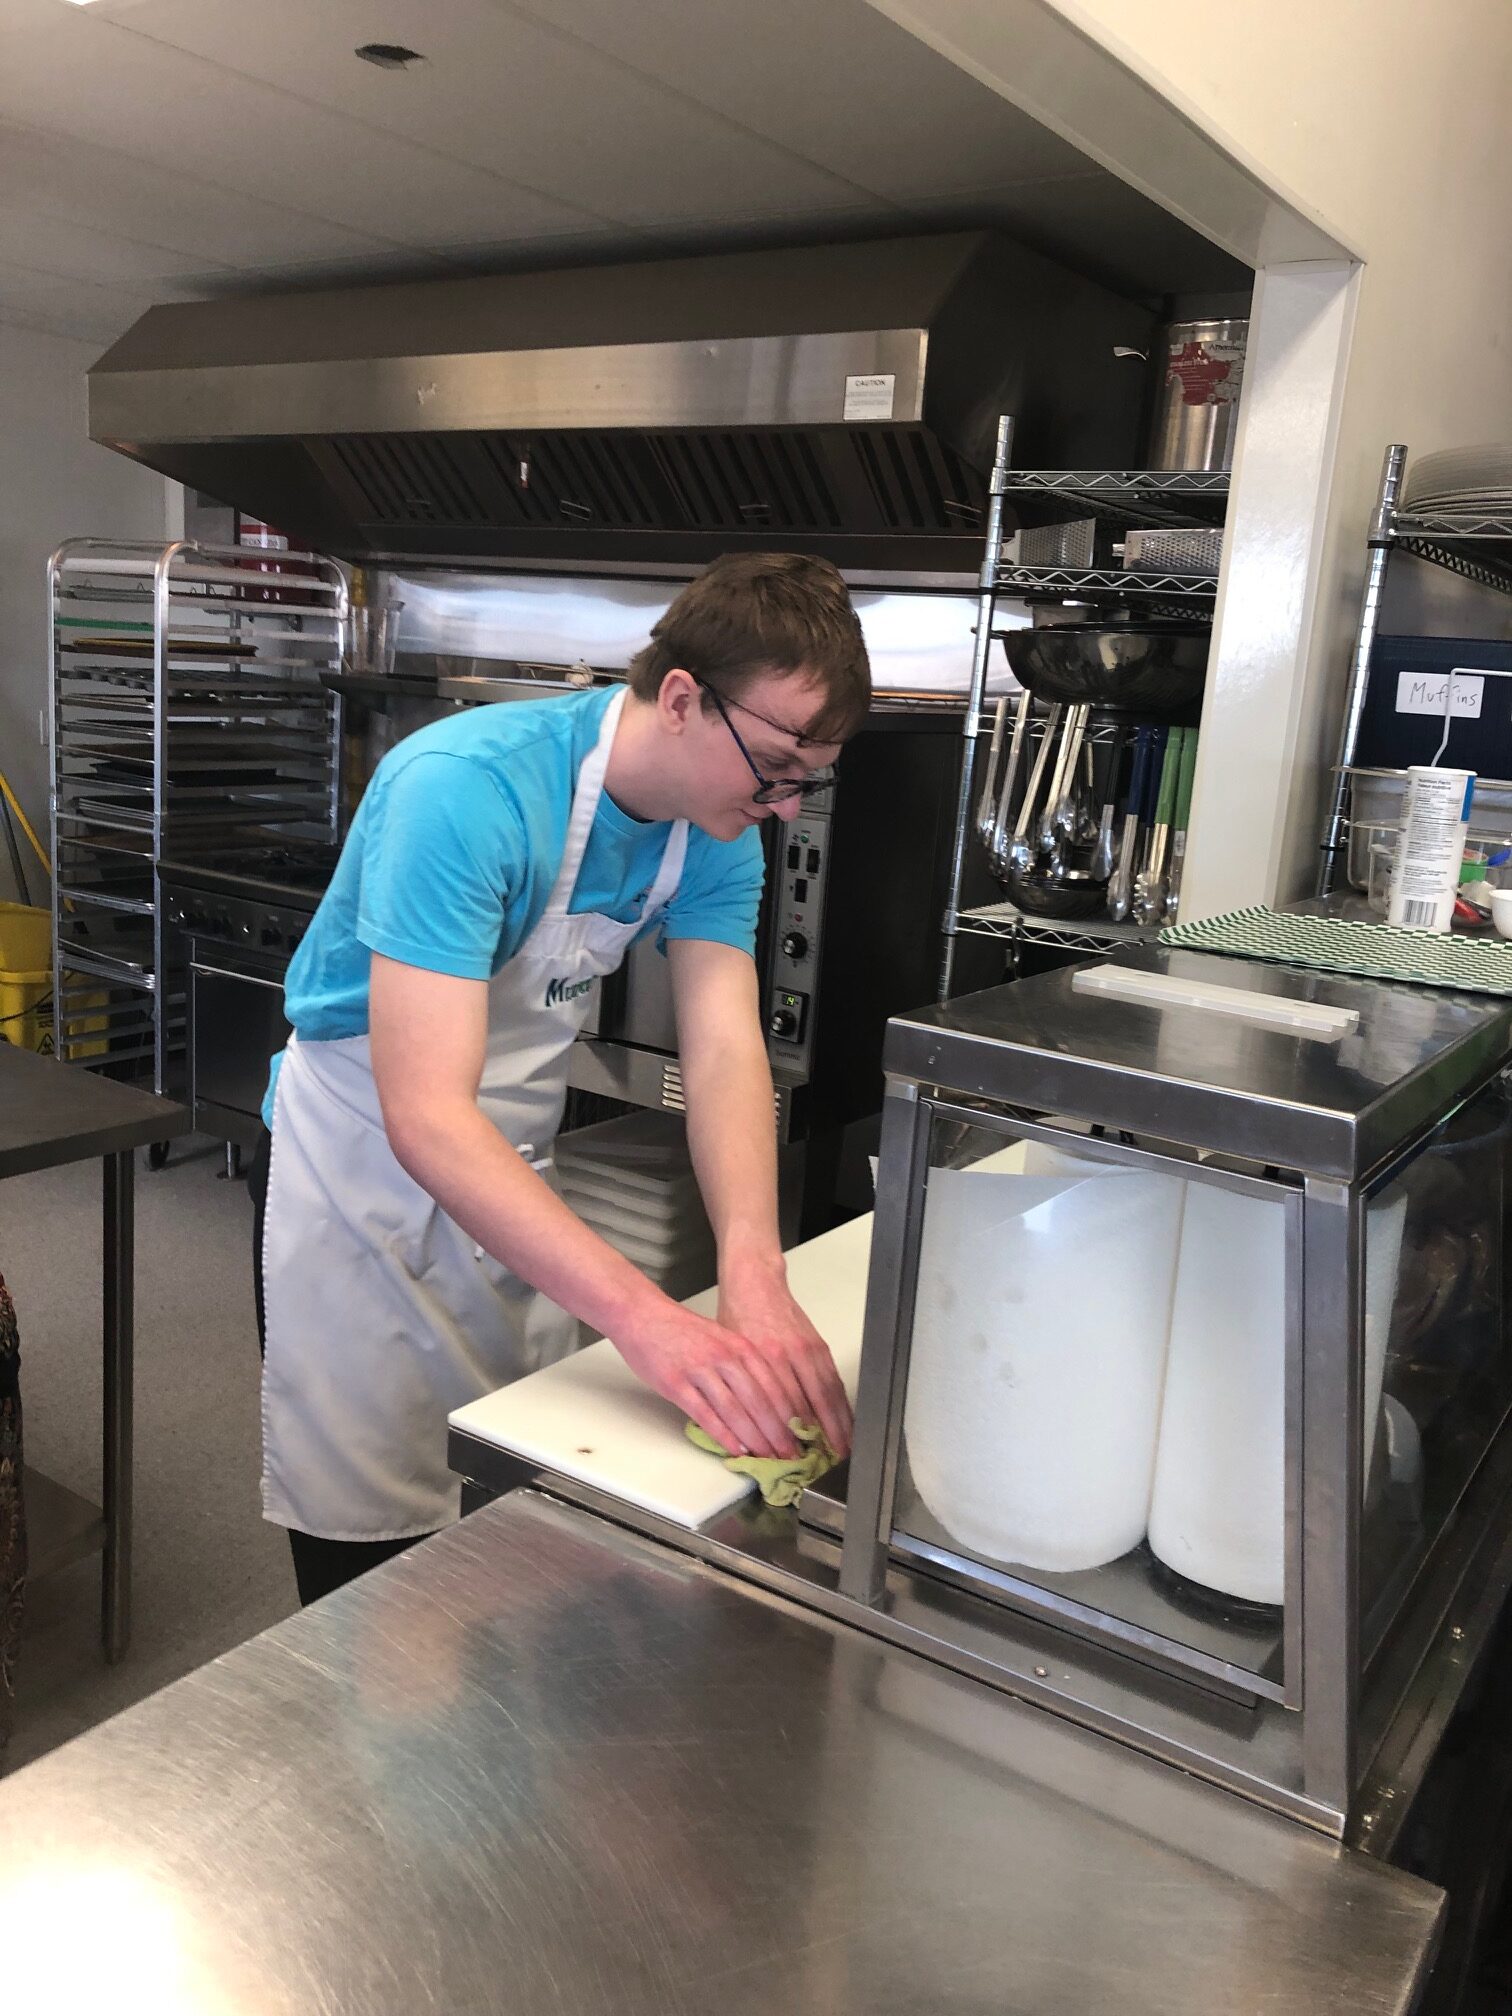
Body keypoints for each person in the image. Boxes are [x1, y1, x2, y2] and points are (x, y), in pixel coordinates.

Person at [249, 552, 870, 1605]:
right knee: (374, 1566)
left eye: (807, 778)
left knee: (510, 1521)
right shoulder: (467, 789)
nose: (783, 805)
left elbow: (726, 1051)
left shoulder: (715, 831)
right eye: (774, 765)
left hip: (511, 1183)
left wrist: (754, 1273)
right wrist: (650, 1320)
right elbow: (426, 1116)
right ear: (685, 699)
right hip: (358, 1177)